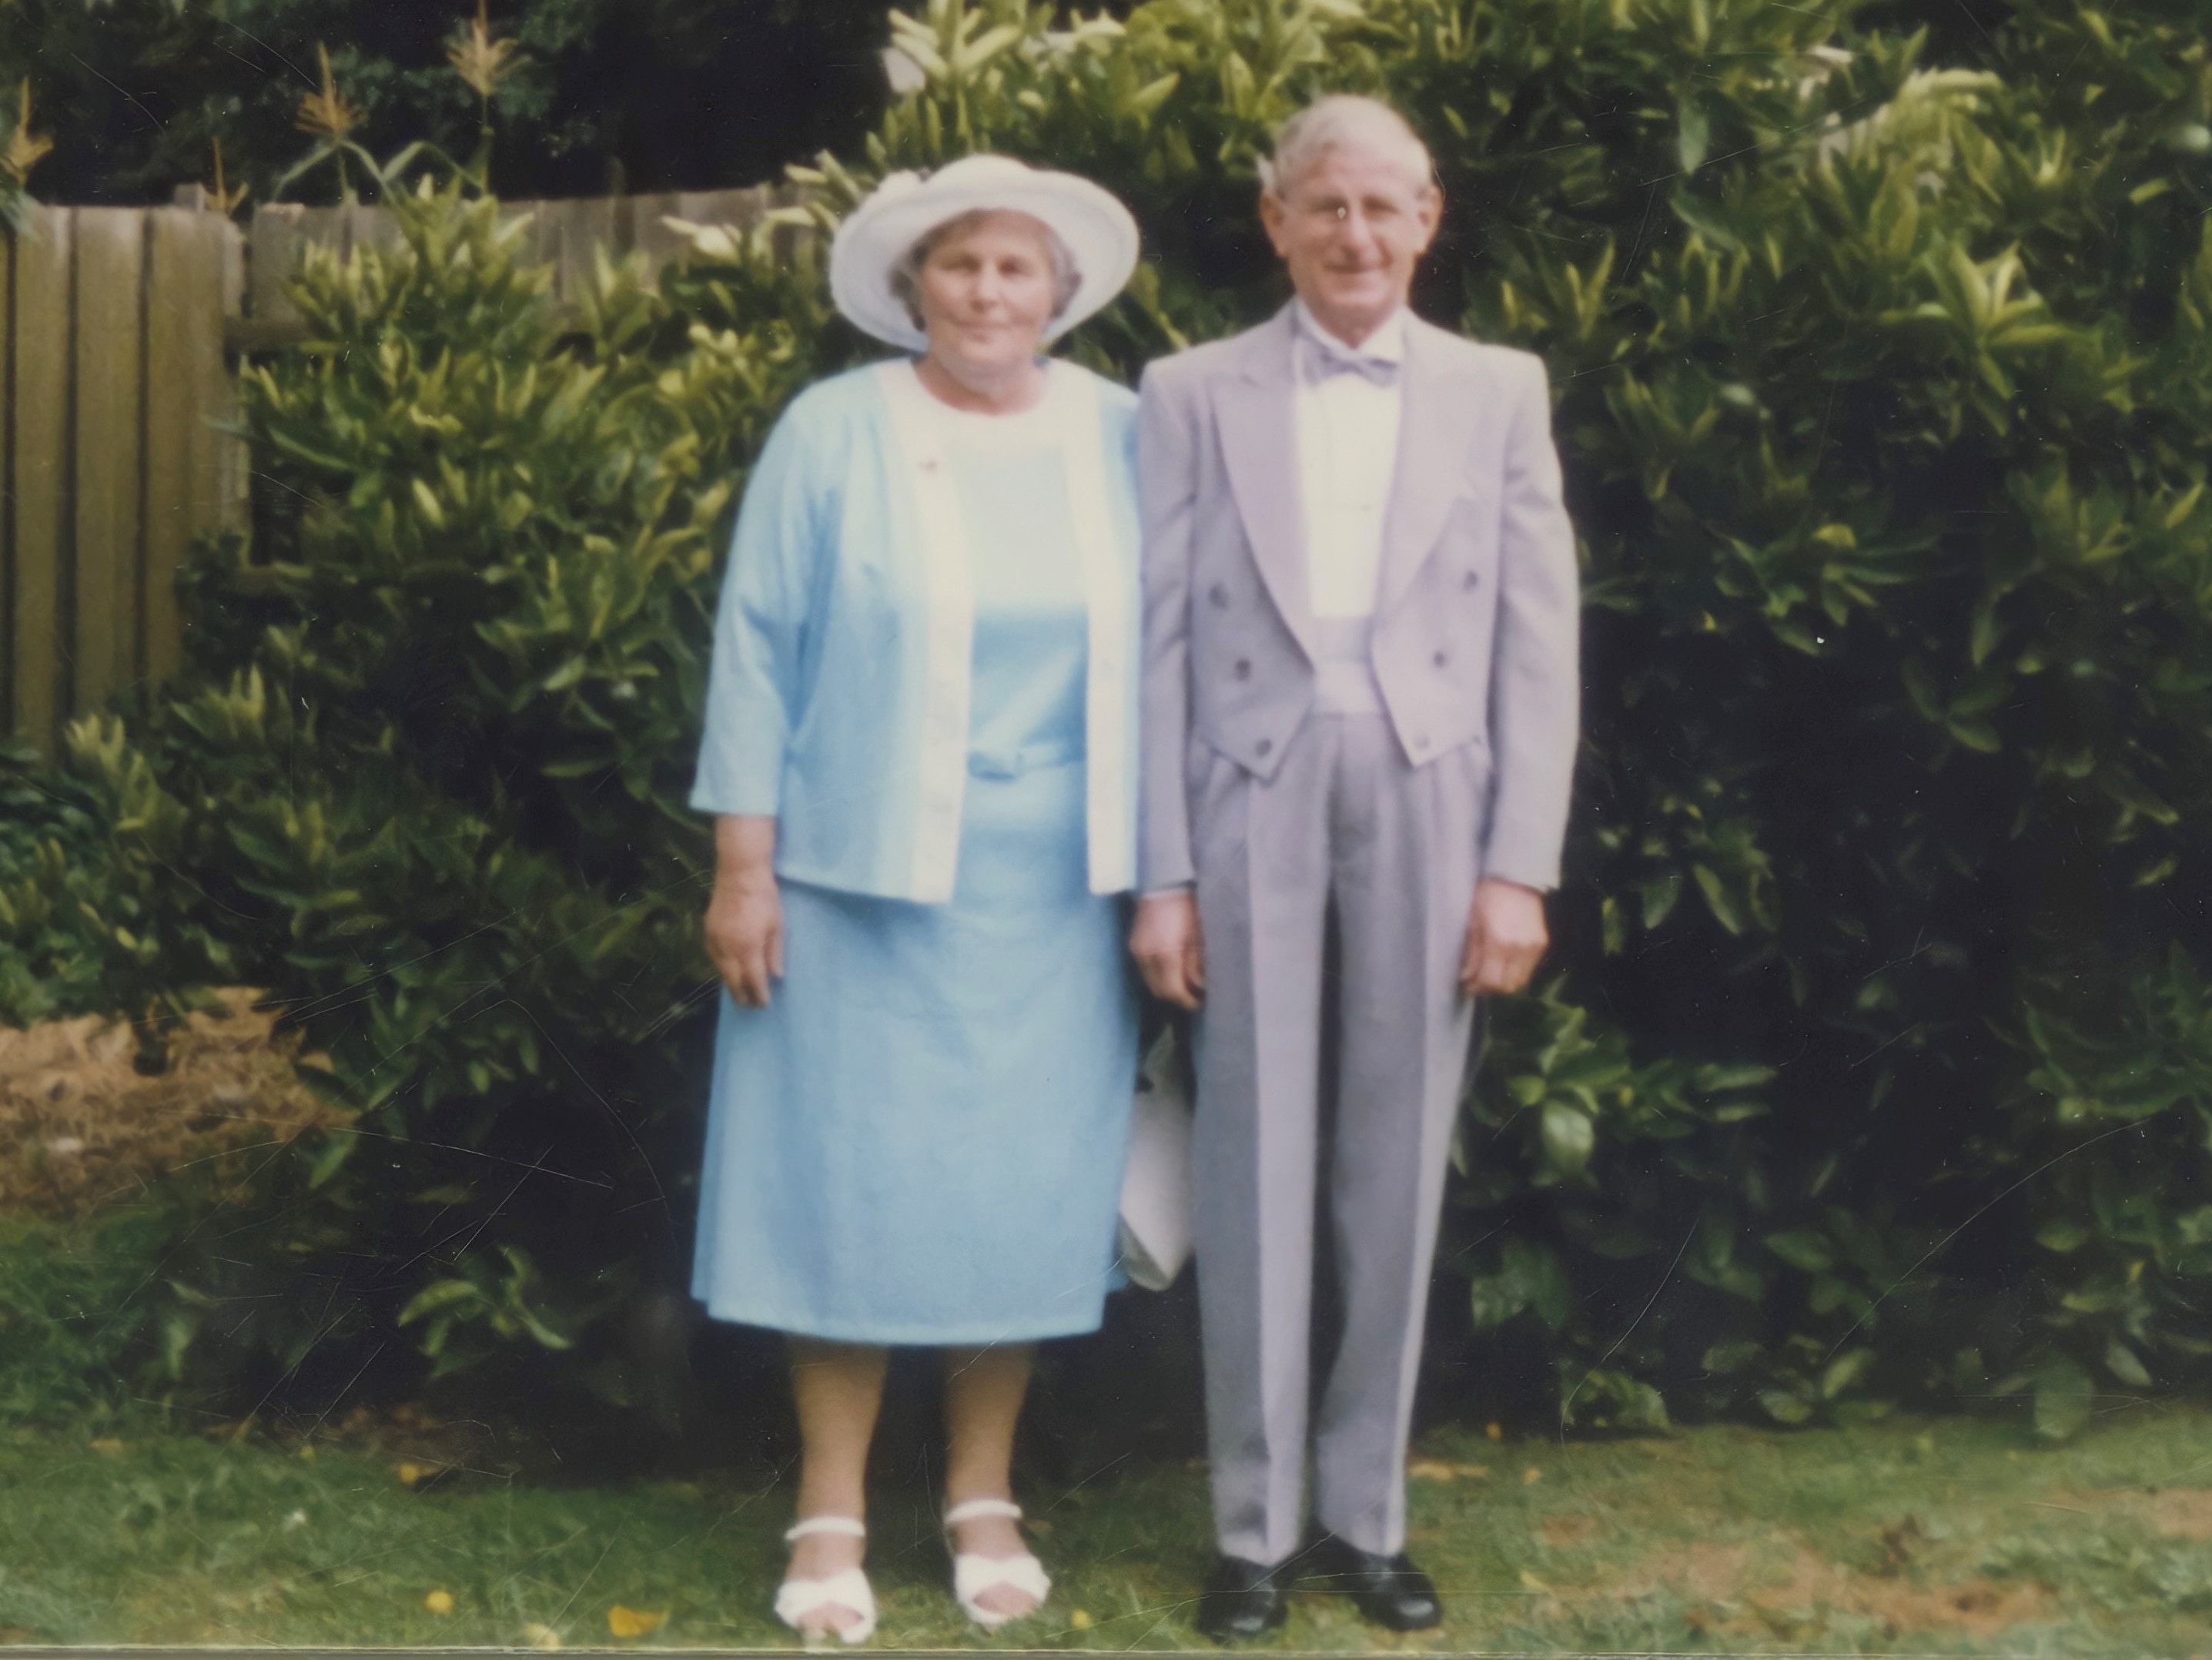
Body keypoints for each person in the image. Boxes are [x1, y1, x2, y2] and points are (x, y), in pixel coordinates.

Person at [1129, 95, 1581, 1641]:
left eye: (1385, 208)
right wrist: (1160, 873)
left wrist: (1519, 867)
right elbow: (1155, 642)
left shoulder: (1499, 387)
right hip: (1246, 777)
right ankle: (1251, 1530)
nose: (1356, 236)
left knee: (1397, 1159)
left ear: (1430, 217)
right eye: (1326, 207)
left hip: (1428, 780)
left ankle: (1366, 1512)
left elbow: (1539, 635)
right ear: (1277, 223)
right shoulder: (1188, 389)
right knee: (1249, 1151)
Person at [689, 153, 1145, 1644]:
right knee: (847, 1189)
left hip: (1053, 891)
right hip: (854, 877)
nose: (990, 292)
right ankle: (829, 1506)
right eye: (960, 264)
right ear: (911, 289)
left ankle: (981, 1494)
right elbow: (755, 646)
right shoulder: (831, 430)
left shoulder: (1128, 435)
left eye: (1018, 268)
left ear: (1060, 294)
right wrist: (742, 867)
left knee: (1015, 1196)